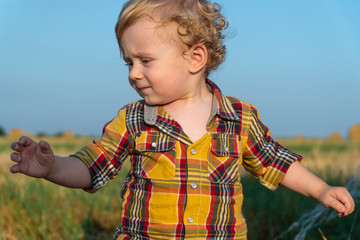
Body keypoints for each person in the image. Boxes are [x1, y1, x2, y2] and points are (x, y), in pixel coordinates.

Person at [10, 0, 355, 239]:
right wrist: (52, 166)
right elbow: (93, 166)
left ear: (195, 58)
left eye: (145, 60)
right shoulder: (132, 119)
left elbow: (276, 162)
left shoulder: (239, 118)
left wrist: (322, 189)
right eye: (128, 62)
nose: (134, 73)